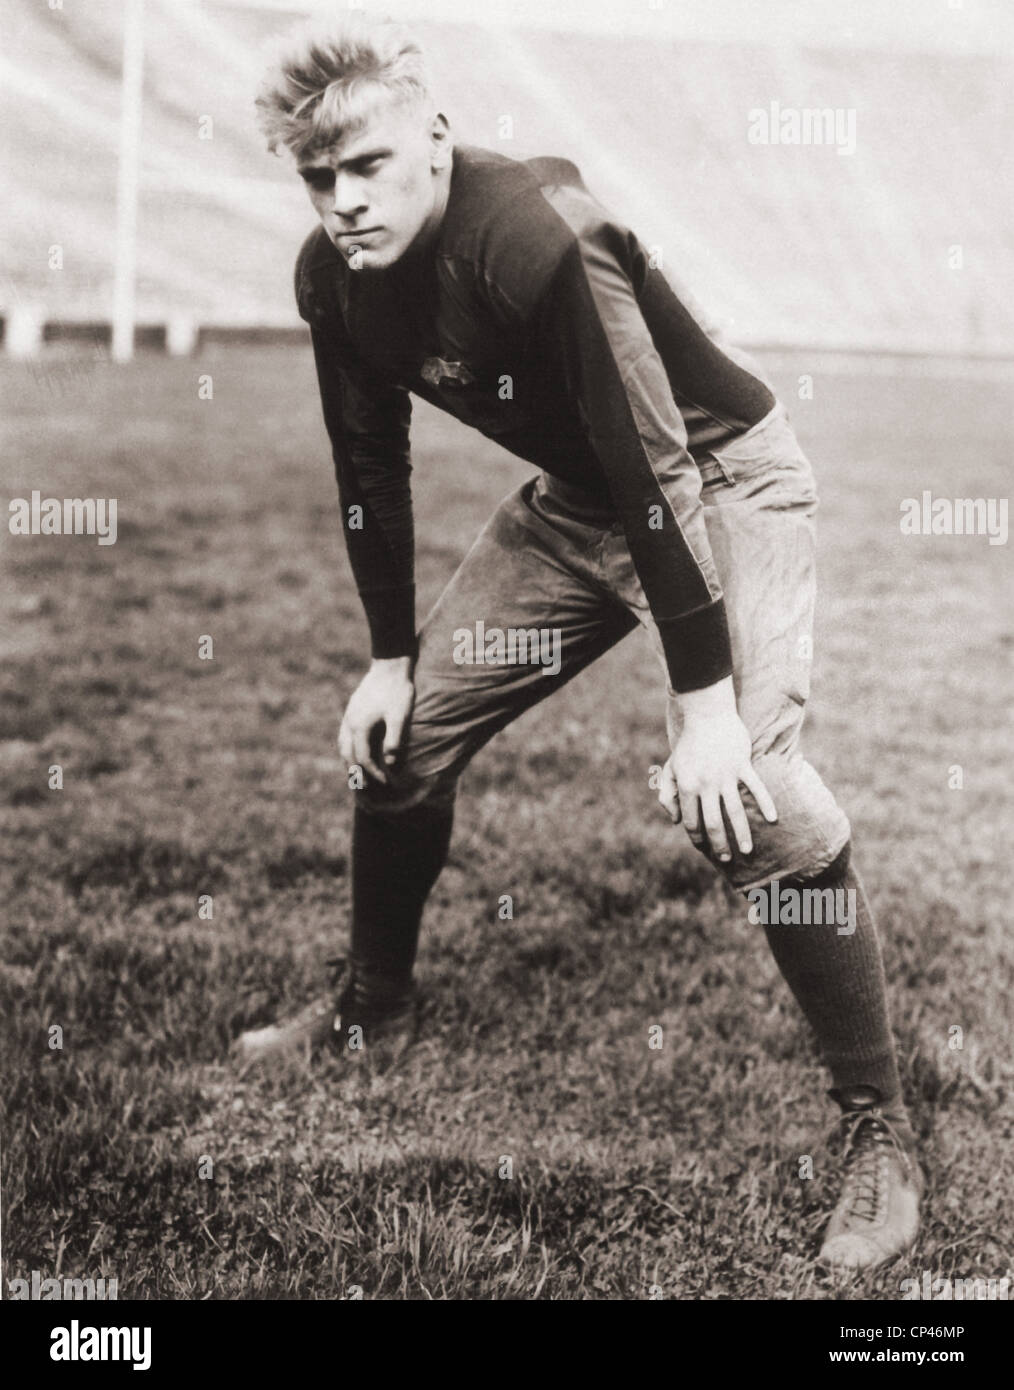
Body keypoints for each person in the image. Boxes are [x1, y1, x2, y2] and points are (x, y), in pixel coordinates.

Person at [241, 12, 923, 1272]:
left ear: (436, 138)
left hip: (719, 482)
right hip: (578, 505)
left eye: (369, 166)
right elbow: (365, 467)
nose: (342, 202)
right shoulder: (331, 276)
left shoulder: (538, 233)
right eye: (317, 178)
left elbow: (660, 462)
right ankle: (371, 1014)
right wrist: (390, 656)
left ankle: (880, 1128)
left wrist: (706, 703)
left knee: (754, 791)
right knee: (402, 742)